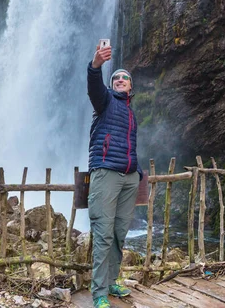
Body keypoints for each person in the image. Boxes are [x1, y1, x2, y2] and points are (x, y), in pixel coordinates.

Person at [87, 41, 141, 308]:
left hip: (128, 178)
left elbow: (129, 145)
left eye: (125, 78)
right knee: (104, 233)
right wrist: (96, 65)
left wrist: (137, 171)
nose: (120, 79)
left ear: (131, 87)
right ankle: (98, 292)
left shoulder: (131, 114)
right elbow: (94, 86)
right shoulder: (105, 101)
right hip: (106, 173)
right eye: (116, 77)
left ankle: (111, 282)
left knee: (119, 232)